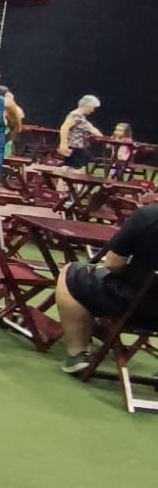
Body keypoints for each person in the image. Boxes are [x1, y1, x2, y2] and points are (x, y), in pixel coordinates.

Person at [57, 203, 158, 374]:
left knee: (71, 272)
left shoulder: (149, 215)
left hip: (130, 304)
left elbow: (113, 264)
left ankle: (77, 354)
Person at [57, 95, 103, 172]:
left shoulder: (81, 117)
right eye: (92, 108)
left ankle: (60, 180)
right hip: (75, 147)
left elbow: (92, 129)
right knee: (76, 171)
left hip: (77, 148)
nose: (92, 110)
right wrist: (63, 144)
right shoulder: (76, 115)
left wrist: (101, 136)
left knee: (68, 169)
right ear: (87, 105)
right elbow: (64, 128)